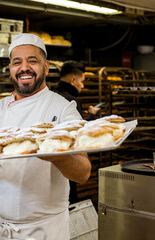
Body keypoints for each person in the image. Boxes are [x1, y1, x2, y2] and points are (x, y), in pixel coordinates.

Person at [0, 33, 91, 240]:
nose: (24, 68)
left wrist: (56, 155)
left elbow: (83, 173)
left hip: (45, 230)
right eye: (17, 62)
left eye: (33, 61)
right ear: (11, 69)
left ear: (46, 67)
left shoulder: (64, 109)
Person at [54, 60, 100, 203]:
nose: (83, 85)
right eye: (82, 81)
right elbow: (78, 133)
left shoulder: (50, 96)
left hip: (50, 161)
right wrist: (91, 117)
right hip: (68, 161)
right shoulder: (72, 101)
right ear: (73, 80)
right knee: (68, 201)